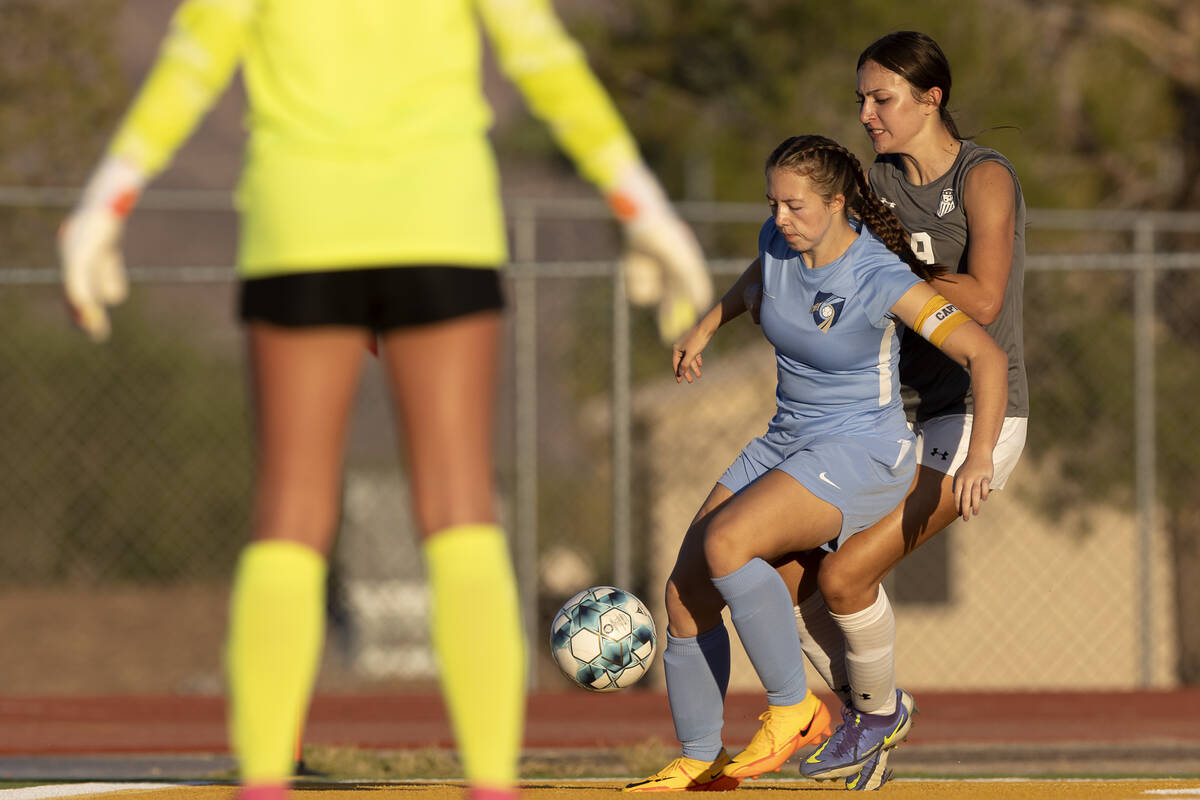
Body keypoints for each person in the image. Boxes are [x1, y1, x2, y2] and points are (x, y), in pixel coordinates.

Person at [56, 3, 712, 800]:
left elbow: (191, 64)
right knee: (460, 503)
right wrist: (643, 207)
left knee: (289, 512)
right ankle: (490, 787)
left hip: (299, 230)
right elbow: (545, 61)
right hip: (441, 223)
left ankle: (264, 784)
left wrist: (105, 204)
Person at [623, 133, 1008, 793]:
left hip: (862, 451)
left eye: (795, 206)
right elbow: (757, 283)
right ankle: (699, 760)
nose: (780, 218)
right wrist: (706, 326)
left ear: (836, 203)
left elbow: (986, 357)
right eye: (773, 203)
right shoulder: (779, 243)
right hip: (786, 439)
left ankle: (794, 709)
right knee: (684, 594)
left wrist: (977, 458)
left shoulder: (879, 275)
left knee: (728, 544)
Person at [746, 31, 1029, 791]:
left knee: (844, 580)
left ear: (931, 98)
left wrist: (885, 273)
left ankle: (877, 717)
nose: (867, 114)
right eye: (862, 99)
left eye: (883, 98)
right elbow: (794, 243)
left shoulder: (983, 177)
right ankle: (864, 722)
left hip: (977, 415)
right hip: (890, 420)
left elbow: (985, 298)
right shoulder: (870, 182)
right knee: (778, 580)